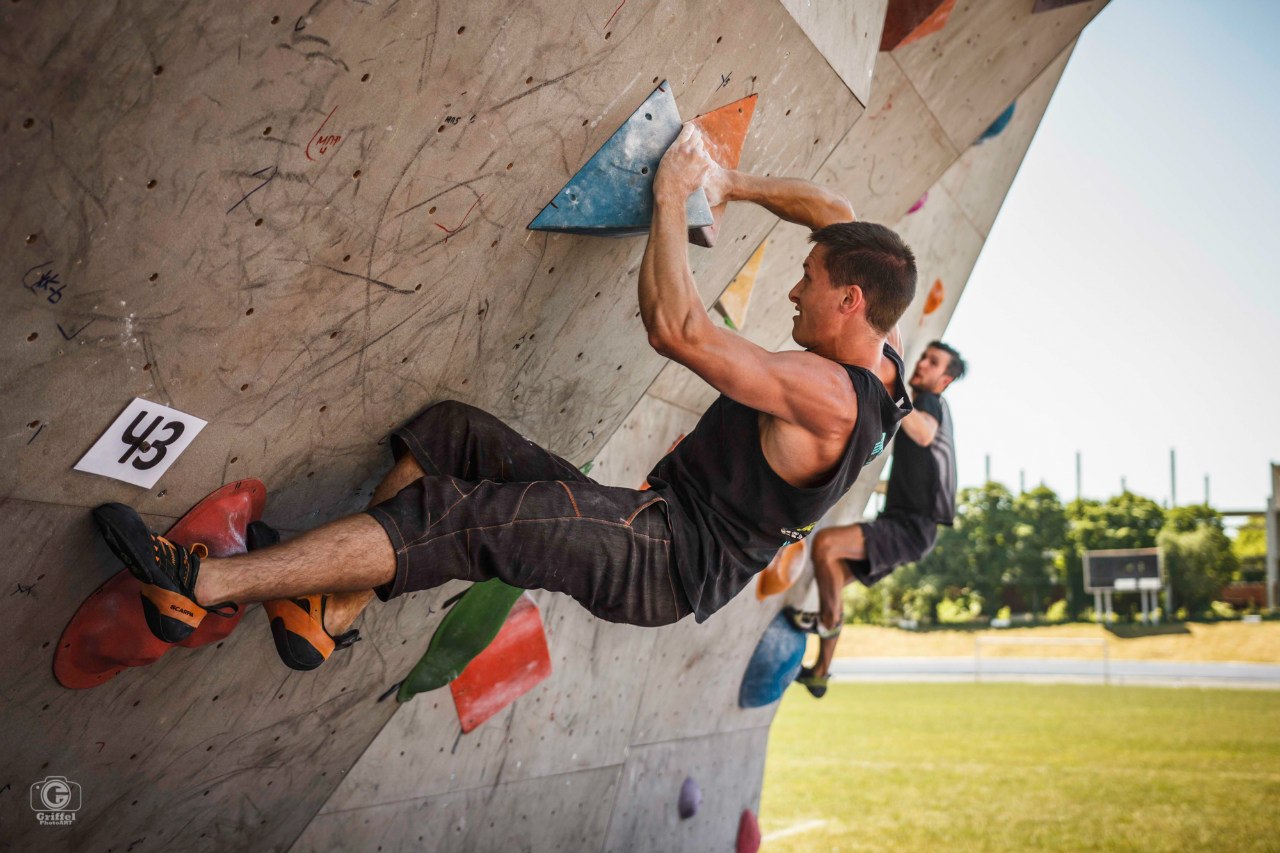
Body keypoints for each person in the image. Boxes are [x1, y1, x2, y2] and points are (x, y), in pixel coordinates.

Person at [90, 125, 916, 671]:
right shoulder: (887, 356)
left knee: (463, 518)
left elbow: (679, 330)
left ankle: (199, 588)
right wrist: (729, 181)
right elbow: (837, 216)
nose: (792, 296)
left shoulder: (827, 393)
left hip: (661, 557)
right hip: (646, 523)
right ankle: (323, 612)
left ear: (849, 302)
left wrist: (672, 196)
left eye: (808, 284)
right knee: (450, 435)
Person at [796, 341, 965, 697]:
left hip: (912, 528)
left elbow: (924, 432)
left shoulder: (930, 403)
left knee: (826, 546)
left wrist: (892, 386)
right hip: (909, 526)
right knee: (835, 580)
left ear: (944, 380)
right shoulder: (924, 404)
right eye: (924, 358)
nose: (921, 365)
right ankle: (820, 672)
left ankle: (825, 622)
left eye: (932, 363)